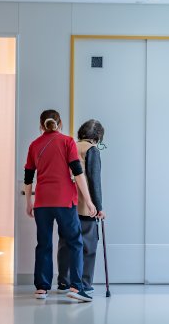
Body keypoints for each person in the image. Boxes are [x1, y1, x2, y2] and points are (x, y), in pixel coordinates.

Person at [23, 109, 96, 302]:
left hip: (42, 202)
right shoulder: (67, 142)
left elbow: (28, 177)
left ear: (41, 125)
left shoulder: (34, 145)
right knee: (75, 242)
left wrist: (28, 202)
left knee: (44, 244)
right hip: (65, 200)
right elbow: (78, 173)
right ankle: (76, 287)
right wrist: (89, 201)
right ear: (60, 123)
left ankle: (41, 288)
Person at [57, 119, 106, 295]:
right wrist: (99, 207)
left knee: (65, 244)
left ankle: (64, 281)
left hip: (65, 203)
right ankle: (83, 283)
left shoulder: (69, 146)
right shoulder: (91, 150)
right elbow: (94, 180)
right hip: (85, 206)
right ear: (97, 137)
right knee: (87, 246)